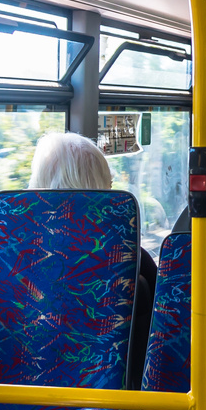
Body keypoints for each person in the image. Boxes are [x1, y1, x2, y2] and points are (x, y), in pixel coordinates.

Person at [29, 131, 157, 387]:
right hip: (106, 402)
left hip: (10, 394)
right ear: (102, 190)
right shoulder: (130, 263)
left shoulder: (10, 257)